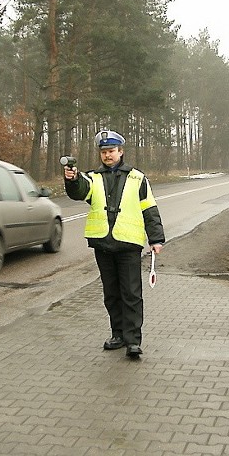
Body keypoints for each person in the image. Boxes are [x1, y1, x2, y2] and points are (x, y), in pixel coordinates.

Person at [64, 130, 165, 358]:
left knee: (131, 293)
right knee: (111, 294)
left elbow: (150, 209)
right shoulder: (93, 178)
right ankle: (117, 335)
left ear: (121, 151)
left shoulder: (138, 178)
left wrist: (156, 238)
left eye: (111, 151)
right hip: (103, 244)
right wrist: (72, 179)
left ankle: (133, 341)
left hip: (128, 245)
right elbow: (79, 191)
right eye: (103, 152)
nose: (107, 155)